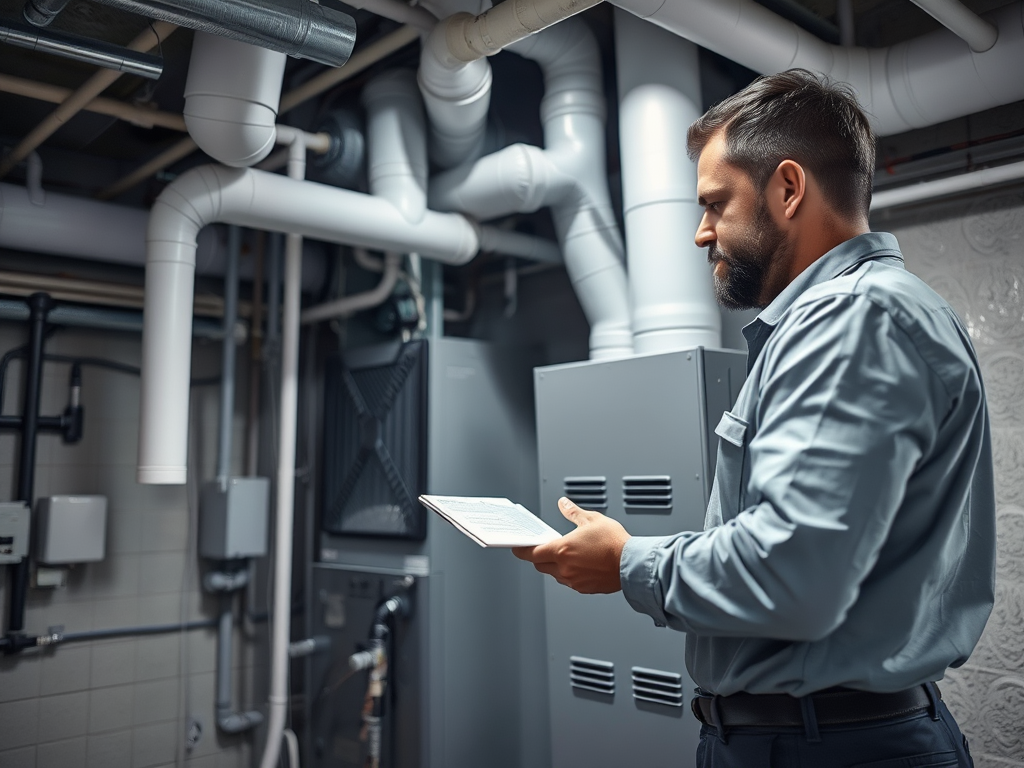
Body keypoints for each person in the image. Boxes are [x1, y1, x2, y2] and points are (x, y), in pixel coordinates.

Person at [513, 69, 994, 767]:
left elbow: (791, 571)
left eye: (715, 203)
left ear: (788, 189)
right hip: (817, 737)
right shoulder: (848, 318)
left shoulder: (851, 319)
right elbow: (795, 546)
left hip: (829, 747)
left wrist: (626, 561)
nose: (701, 232)